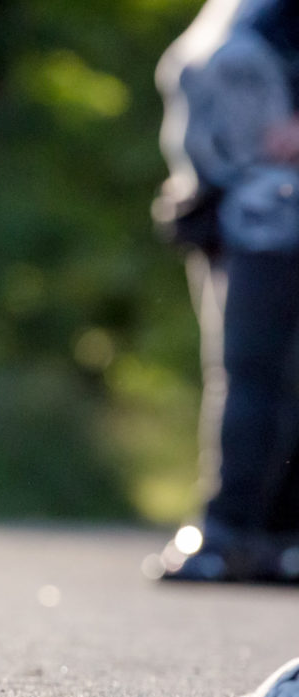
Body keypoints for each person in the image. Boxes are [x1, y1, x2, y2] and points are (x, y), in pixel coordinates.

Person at [152, 0, 299, 582]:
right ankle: (271, 540)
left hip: (276, 217)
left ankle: (231, 534)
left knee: (254, 375)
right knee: (259, 376)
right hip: (236, 215)